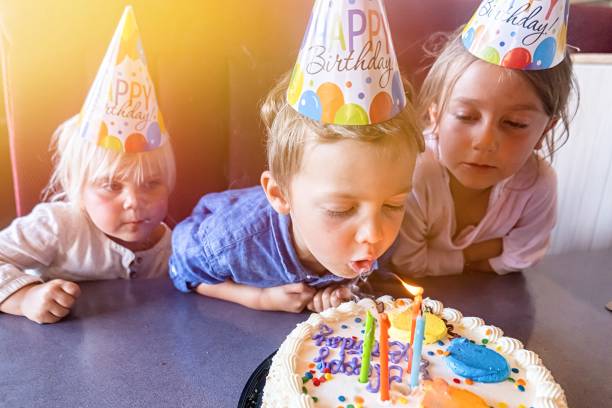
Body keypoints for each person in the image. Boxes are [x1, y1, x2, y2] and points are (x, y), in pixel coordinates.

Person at [170, 0, 424, 313]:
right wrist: (257, 298)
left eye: (393, 205)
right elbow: (181, 267)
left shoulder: (372, 223)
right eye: (340, 209)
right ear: (279, 193)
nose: (374, 233)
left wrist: (339, 287)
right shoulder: (231, 243)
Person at [0, 6, 176, 324]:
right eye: (111, 185)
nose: (135, 202)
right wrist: (24, 297)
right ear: (78, 189)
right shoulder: (57, 226)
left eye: (151, 183)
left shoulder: (171, 245)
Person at [392, 0, 577, 276]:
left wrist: (443, 256)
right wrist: (480, 253)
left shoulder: (538, 183)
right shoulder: (415, 172)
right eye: (466, 116)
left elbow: (522, 257)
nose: (484, 141)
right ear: (435, 114)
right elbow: (408, 265)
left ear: (545, 130)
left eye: (515, 123)